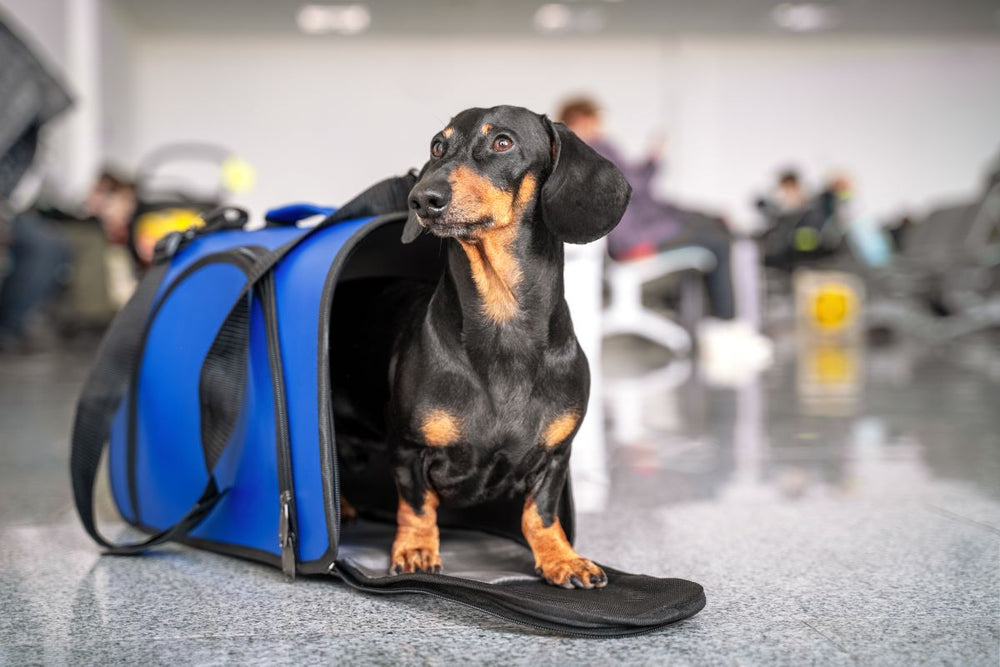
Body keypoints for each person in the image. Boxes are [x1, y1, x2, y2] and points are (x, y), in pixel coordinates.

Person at [557, 97, 770, 363]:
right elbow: (636, 185)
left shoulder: (571, 153)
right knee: (719, 242)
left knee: (713, 231)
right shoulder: (596, 147)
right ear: (582, 120)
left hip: (631, 232)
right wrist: (654, 159)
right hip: (633, 238)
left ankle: (722, 329)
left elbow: (638, 191)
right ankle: (725, 332)